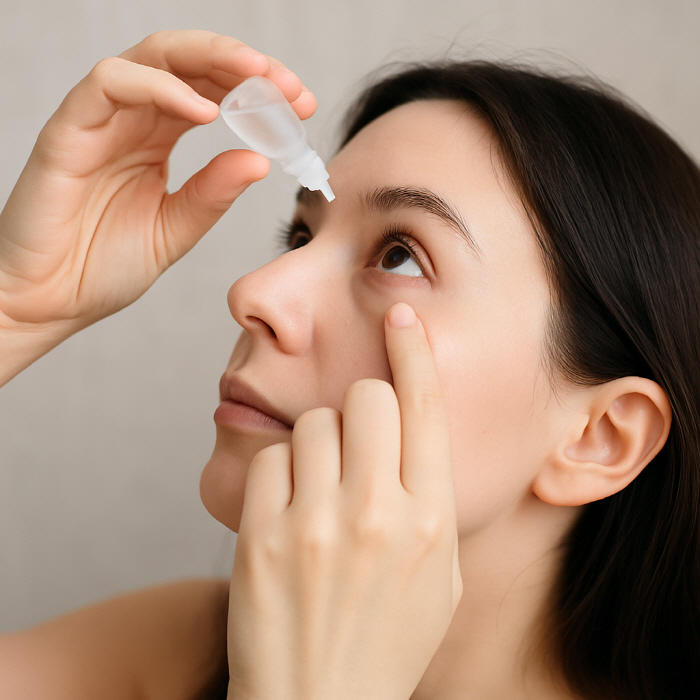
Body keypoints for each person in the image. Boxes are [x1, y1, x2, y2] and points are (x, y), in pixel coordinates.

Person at [0, 29, 698, 700]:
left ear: (601, 437)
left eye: (401, 257)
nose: (256, 293)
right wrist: (14, 308)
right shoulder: (178, 655)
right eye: (300, 235)